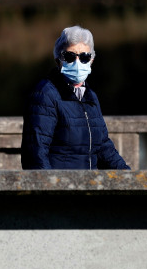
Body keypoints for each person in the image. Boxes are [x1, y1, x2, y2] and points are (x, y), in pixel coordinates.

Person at [21, 25, 130, 170]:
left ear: (91, 60)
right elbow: (36, 153)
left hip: (88, 187)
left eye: (85, 57)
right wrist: (51, 188)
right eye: (70, 56)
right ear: (58, 60)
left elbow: (103, 146)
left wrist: (127, 175)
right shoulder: (45, 94)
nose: (77, 63)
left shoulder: (90, 97)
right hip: (61, 188)